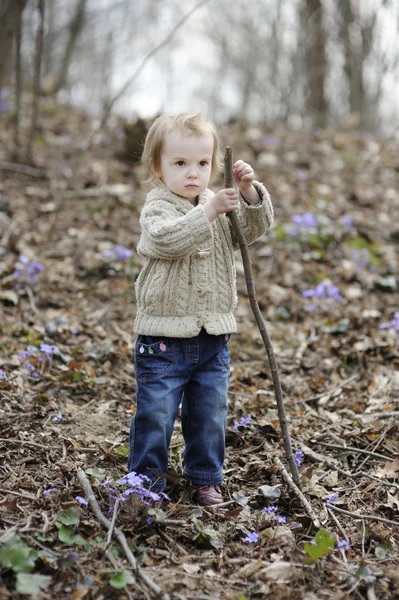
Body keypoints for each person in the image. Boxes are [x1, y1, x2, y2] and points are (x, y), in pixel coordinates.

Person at [128, 113, 274, 506]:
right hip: (163, 340)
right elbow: (166, 241)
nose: (193, 173)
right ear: (157, 167)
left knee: (209, 415)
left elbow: (251, 232)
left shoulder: (216, 201)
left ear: (214, 164)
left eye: (202, 163)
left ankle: (205, 478)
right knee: (155, 415)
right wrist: (207, 214)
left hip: (213, 338)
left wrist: (248, 194)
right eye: (180, 163)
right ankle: (145, 483)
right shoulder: (157, 207)